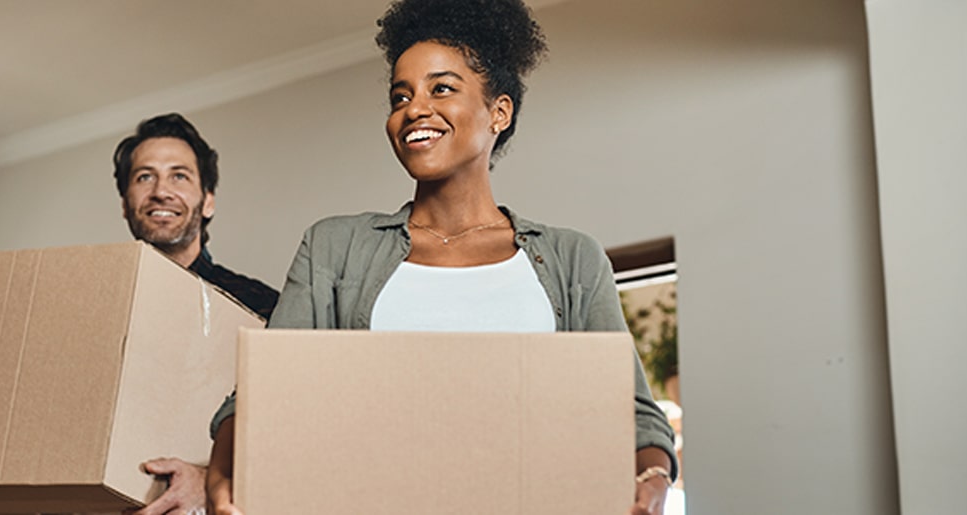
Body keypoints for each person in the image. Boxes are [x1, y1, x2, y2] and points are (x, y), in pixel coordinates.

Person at [200, 0, 677, 514]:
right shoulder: (333, 249)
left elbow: (635, 414)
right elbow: (265, 393)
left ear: (500, 111)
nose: (414, 109)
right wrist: (226, 469)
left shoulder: (572, 259)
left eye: (441, 88)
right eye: (399, 96)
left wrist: (652, 480)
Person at [112, 113, 278, 515]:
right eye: (144, 177)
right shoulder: (99, 307)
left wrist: (210, 480)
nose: (161, 191)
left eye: (179, 176)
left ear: (208, 201)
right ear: (125, 204)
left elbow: (291, 430)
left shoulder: (260, 308)